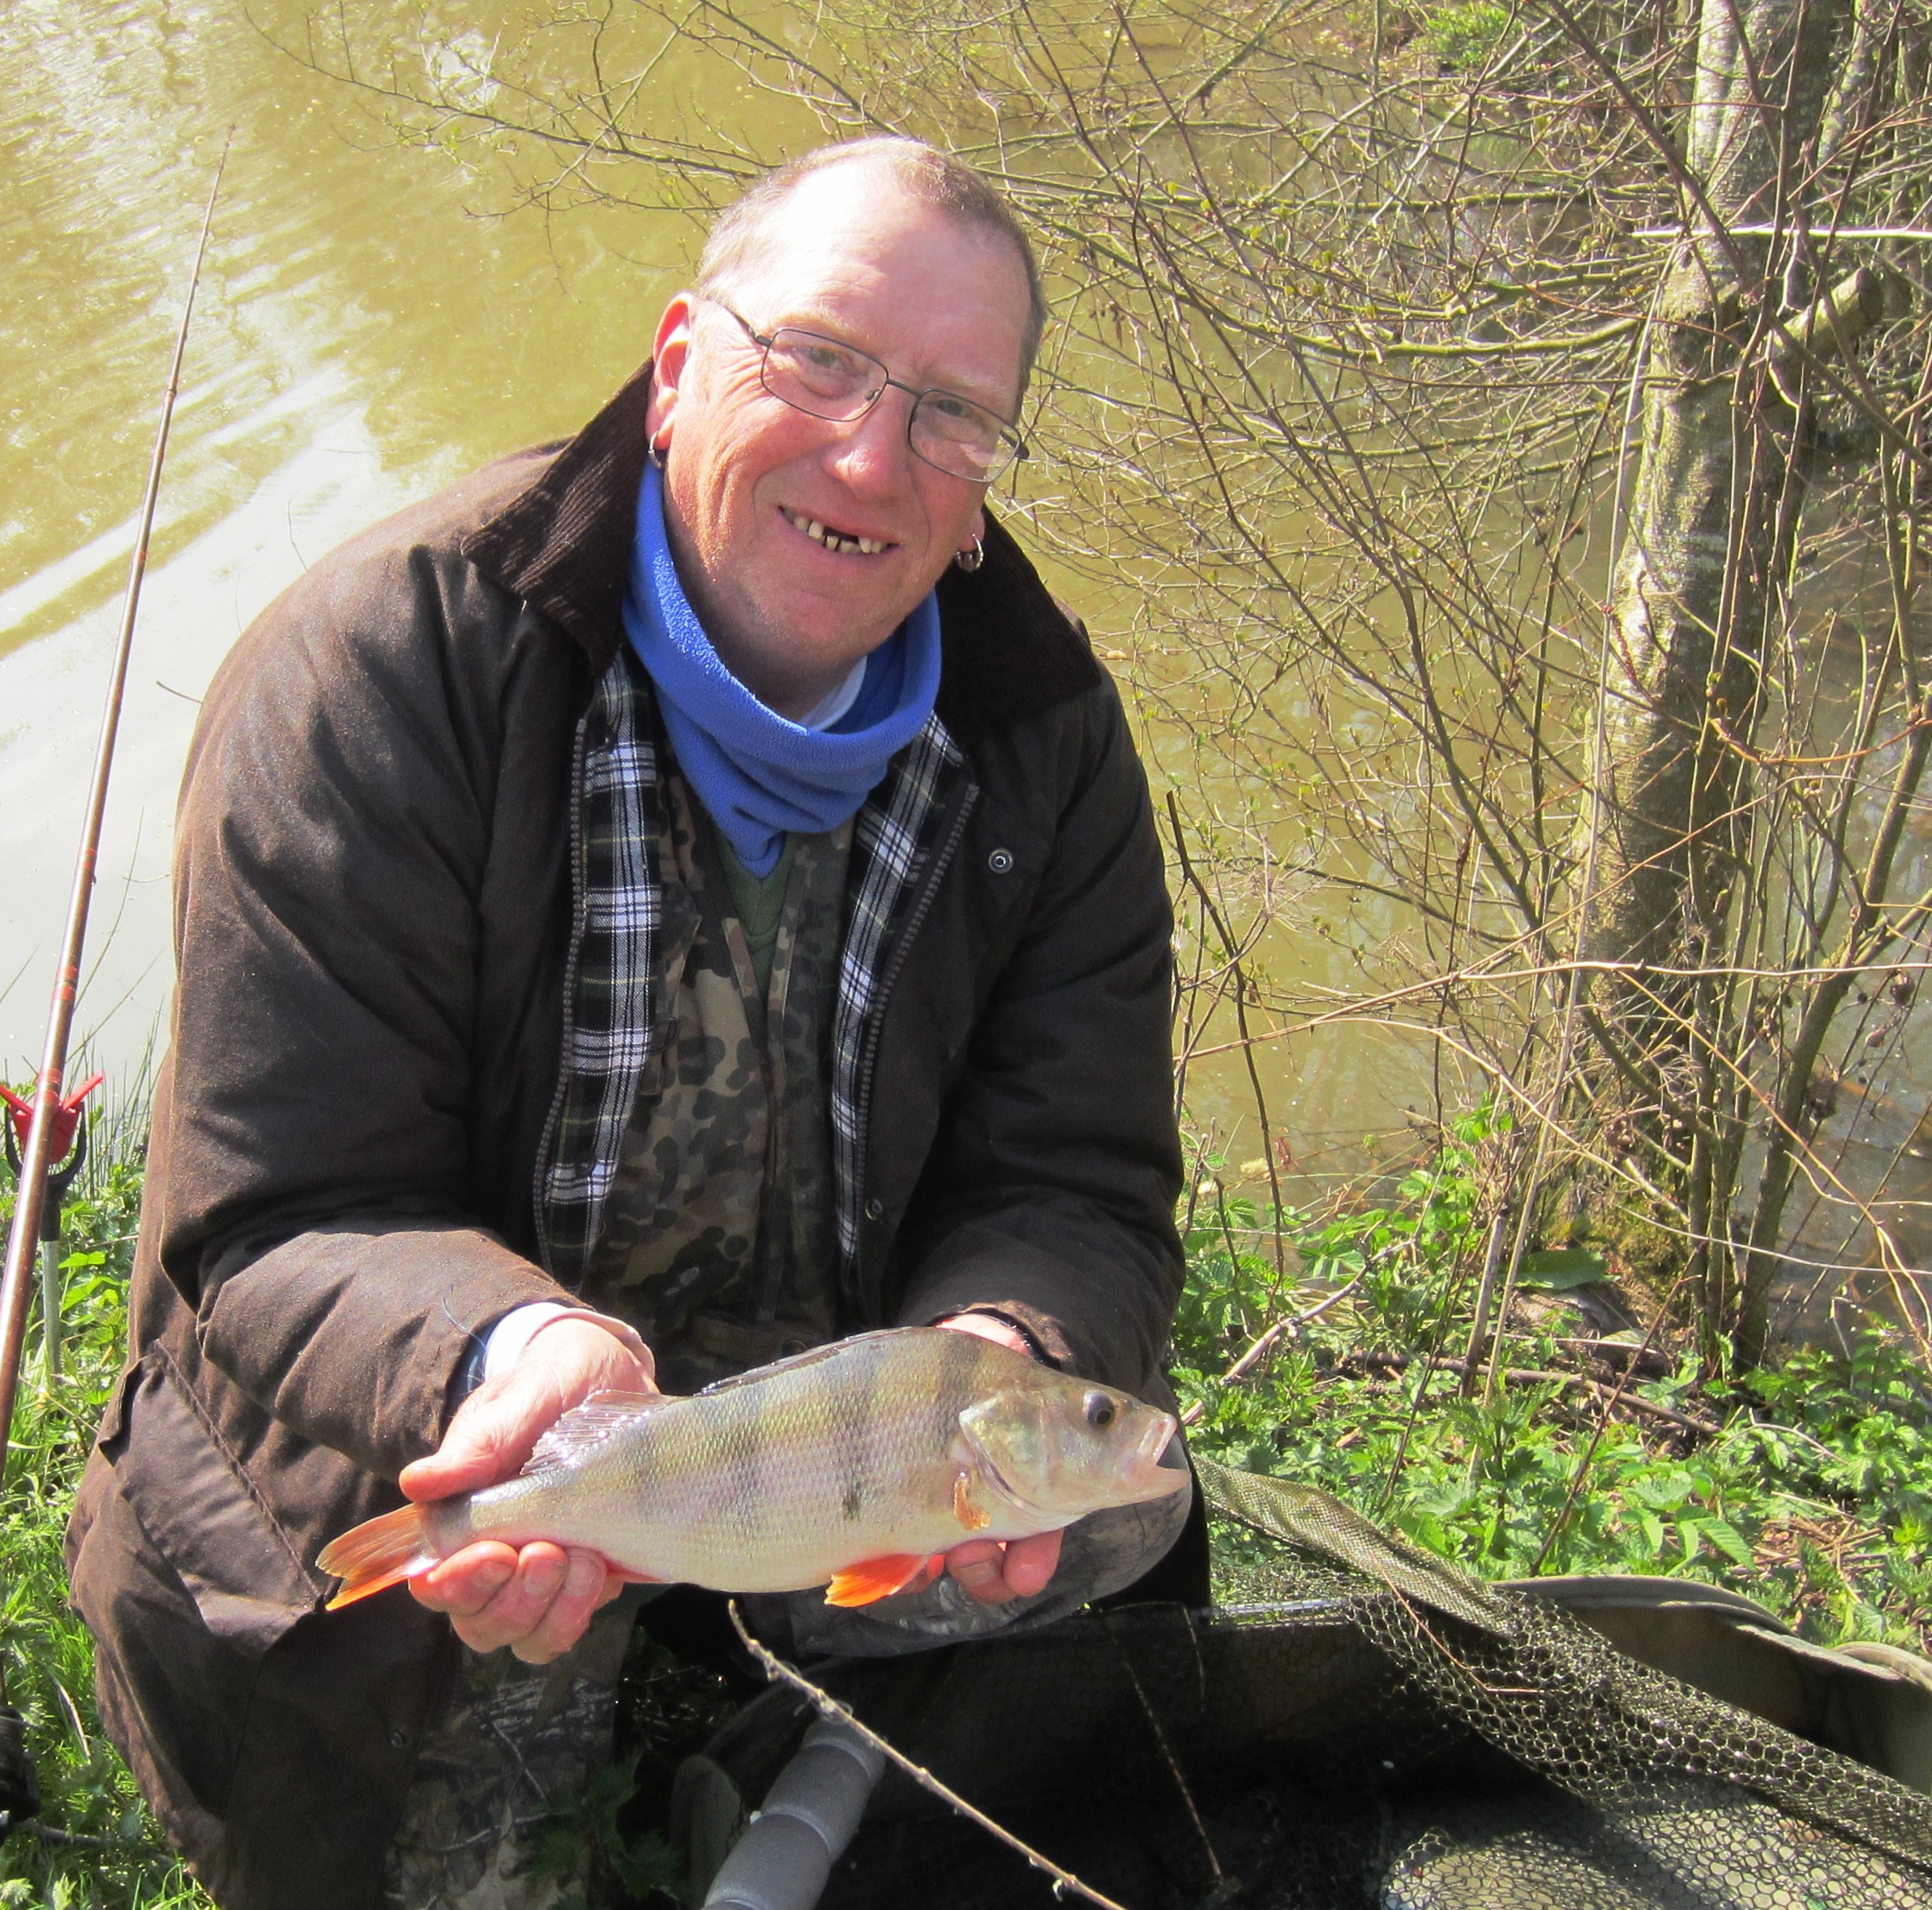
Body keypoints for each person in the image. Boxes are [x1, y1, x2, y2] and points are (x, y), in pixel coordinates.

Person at [64, 135, 1192, 1909]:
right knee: (451, 1804)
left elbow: (1081, 1178)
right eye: (817, 359)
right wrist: (503, 1360)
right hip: (467, 1425)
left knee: (1129, 1503)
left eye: (953, 414)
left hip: (825, 1435)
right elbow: (282, 1207)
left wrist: (993, 1355)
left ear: (986, 478)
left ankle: (774, 1676)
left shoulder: (1044, 737)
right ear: (676, 366)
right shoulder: (381, 665)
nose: (871, 457)